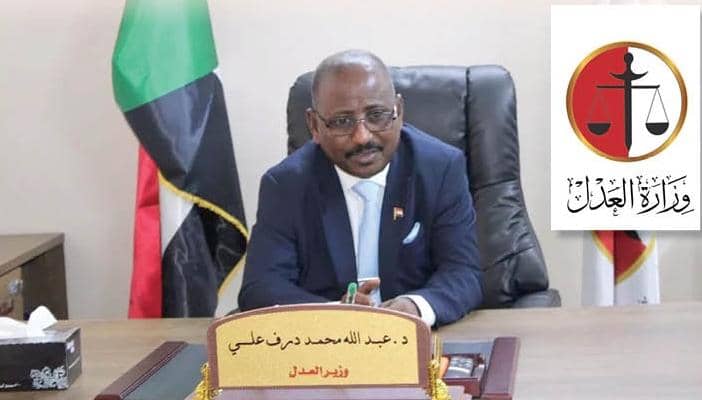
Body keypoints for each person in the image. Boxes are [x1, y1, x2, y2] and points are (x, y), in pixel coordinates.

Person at [238, 50, 482, 326]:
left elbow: (463, 272)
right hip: (326, 343)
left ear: (399, 111)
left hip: (417, 339)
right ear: (314, 125)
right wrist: (336, 315)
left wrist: (414, 308)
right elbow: (261, 287)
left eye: (377, 115)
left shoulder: (440, 169)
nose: (362, 137)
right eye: (342, 122)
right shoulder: (286, 185)